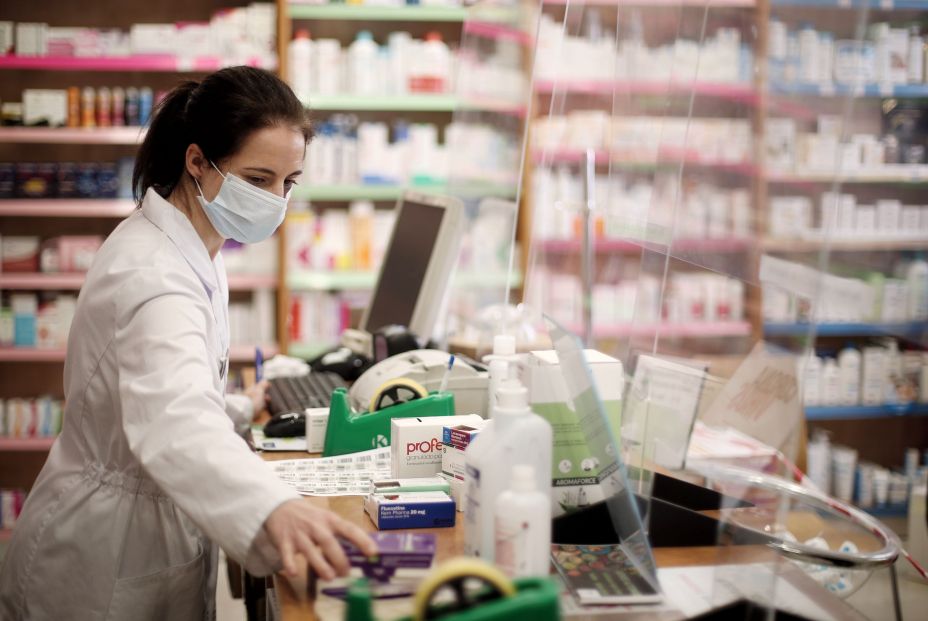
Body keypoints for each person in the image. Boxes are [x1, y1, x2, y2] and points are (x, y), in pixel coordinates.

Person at [0, 67, 377, 620]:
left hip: (140, 522)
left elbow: (160, 385)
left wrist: (239, 406)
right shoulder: (155, 273)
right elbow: (172, 418)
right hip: (105, 555)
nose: (276, 199)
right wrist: (273, 508)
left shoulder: (191, 245)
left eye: (288, 182)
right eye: (257, 178)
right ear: (197, 161)